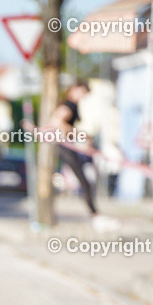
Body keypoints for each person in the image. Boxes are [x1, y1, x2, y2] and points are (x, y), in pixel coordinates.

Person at [47, 80, 101, 221]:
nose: (82, 97)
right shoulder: (68, 105)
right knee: (83, 180)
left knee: (82, 179)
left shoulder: (70, 104)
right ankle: (94, 213)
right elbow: (57, 122)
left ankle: (94, 212)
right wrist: (81, 134)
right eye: (82, 93)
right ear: (74, 89)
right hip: (63, 145)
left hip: (63, 144)